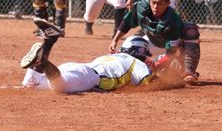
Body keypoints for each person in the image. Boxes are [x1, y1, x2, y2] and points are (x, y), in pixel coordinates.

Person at [20, 18, 155, 93]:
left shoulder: (114, 56)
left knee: (29, 85)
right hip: (89, 76)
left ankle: (45, 51)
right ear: (140, 52)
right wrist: (155, 71)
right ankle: (46, 50)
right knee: (60, 87)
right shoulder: (136, 62)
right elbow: (149, 83)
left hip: (77, 68)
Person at [108, 0, 201, 83]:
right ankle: (125, 72)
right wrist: (114, 40)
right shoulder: (141, 8)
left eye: (160, 3)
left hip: (178, 49)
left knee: (191, 31)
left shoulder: (173, 20)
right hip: (154, 41)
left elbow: (172, 52)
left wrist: (156, 65)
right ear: (149, 0)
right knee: (133, 45)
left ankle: (188, 72)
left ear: (168, 3)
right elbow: (127, 23)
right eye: (153, 2)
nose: (155, 7)